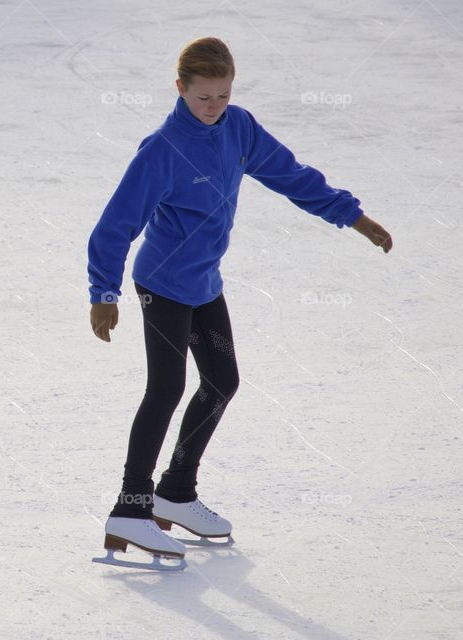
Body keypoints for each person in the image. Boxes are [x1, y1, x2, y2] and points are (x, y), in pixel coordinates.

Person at [86, 36, 392, 568]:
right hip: (161, 283)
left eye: (224, 96)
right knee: (166, 387)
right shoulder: (162, 149)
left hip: (204, 281)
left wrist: (352, 216)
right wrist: (103, 292)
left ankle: (175, 492)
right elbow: (115, 225)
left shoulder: (239, 127)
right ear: (180, 89)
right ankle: (130, 509)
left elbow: (288, 175)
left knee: (222, 381)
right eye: (205, 98)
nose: (215, 108)